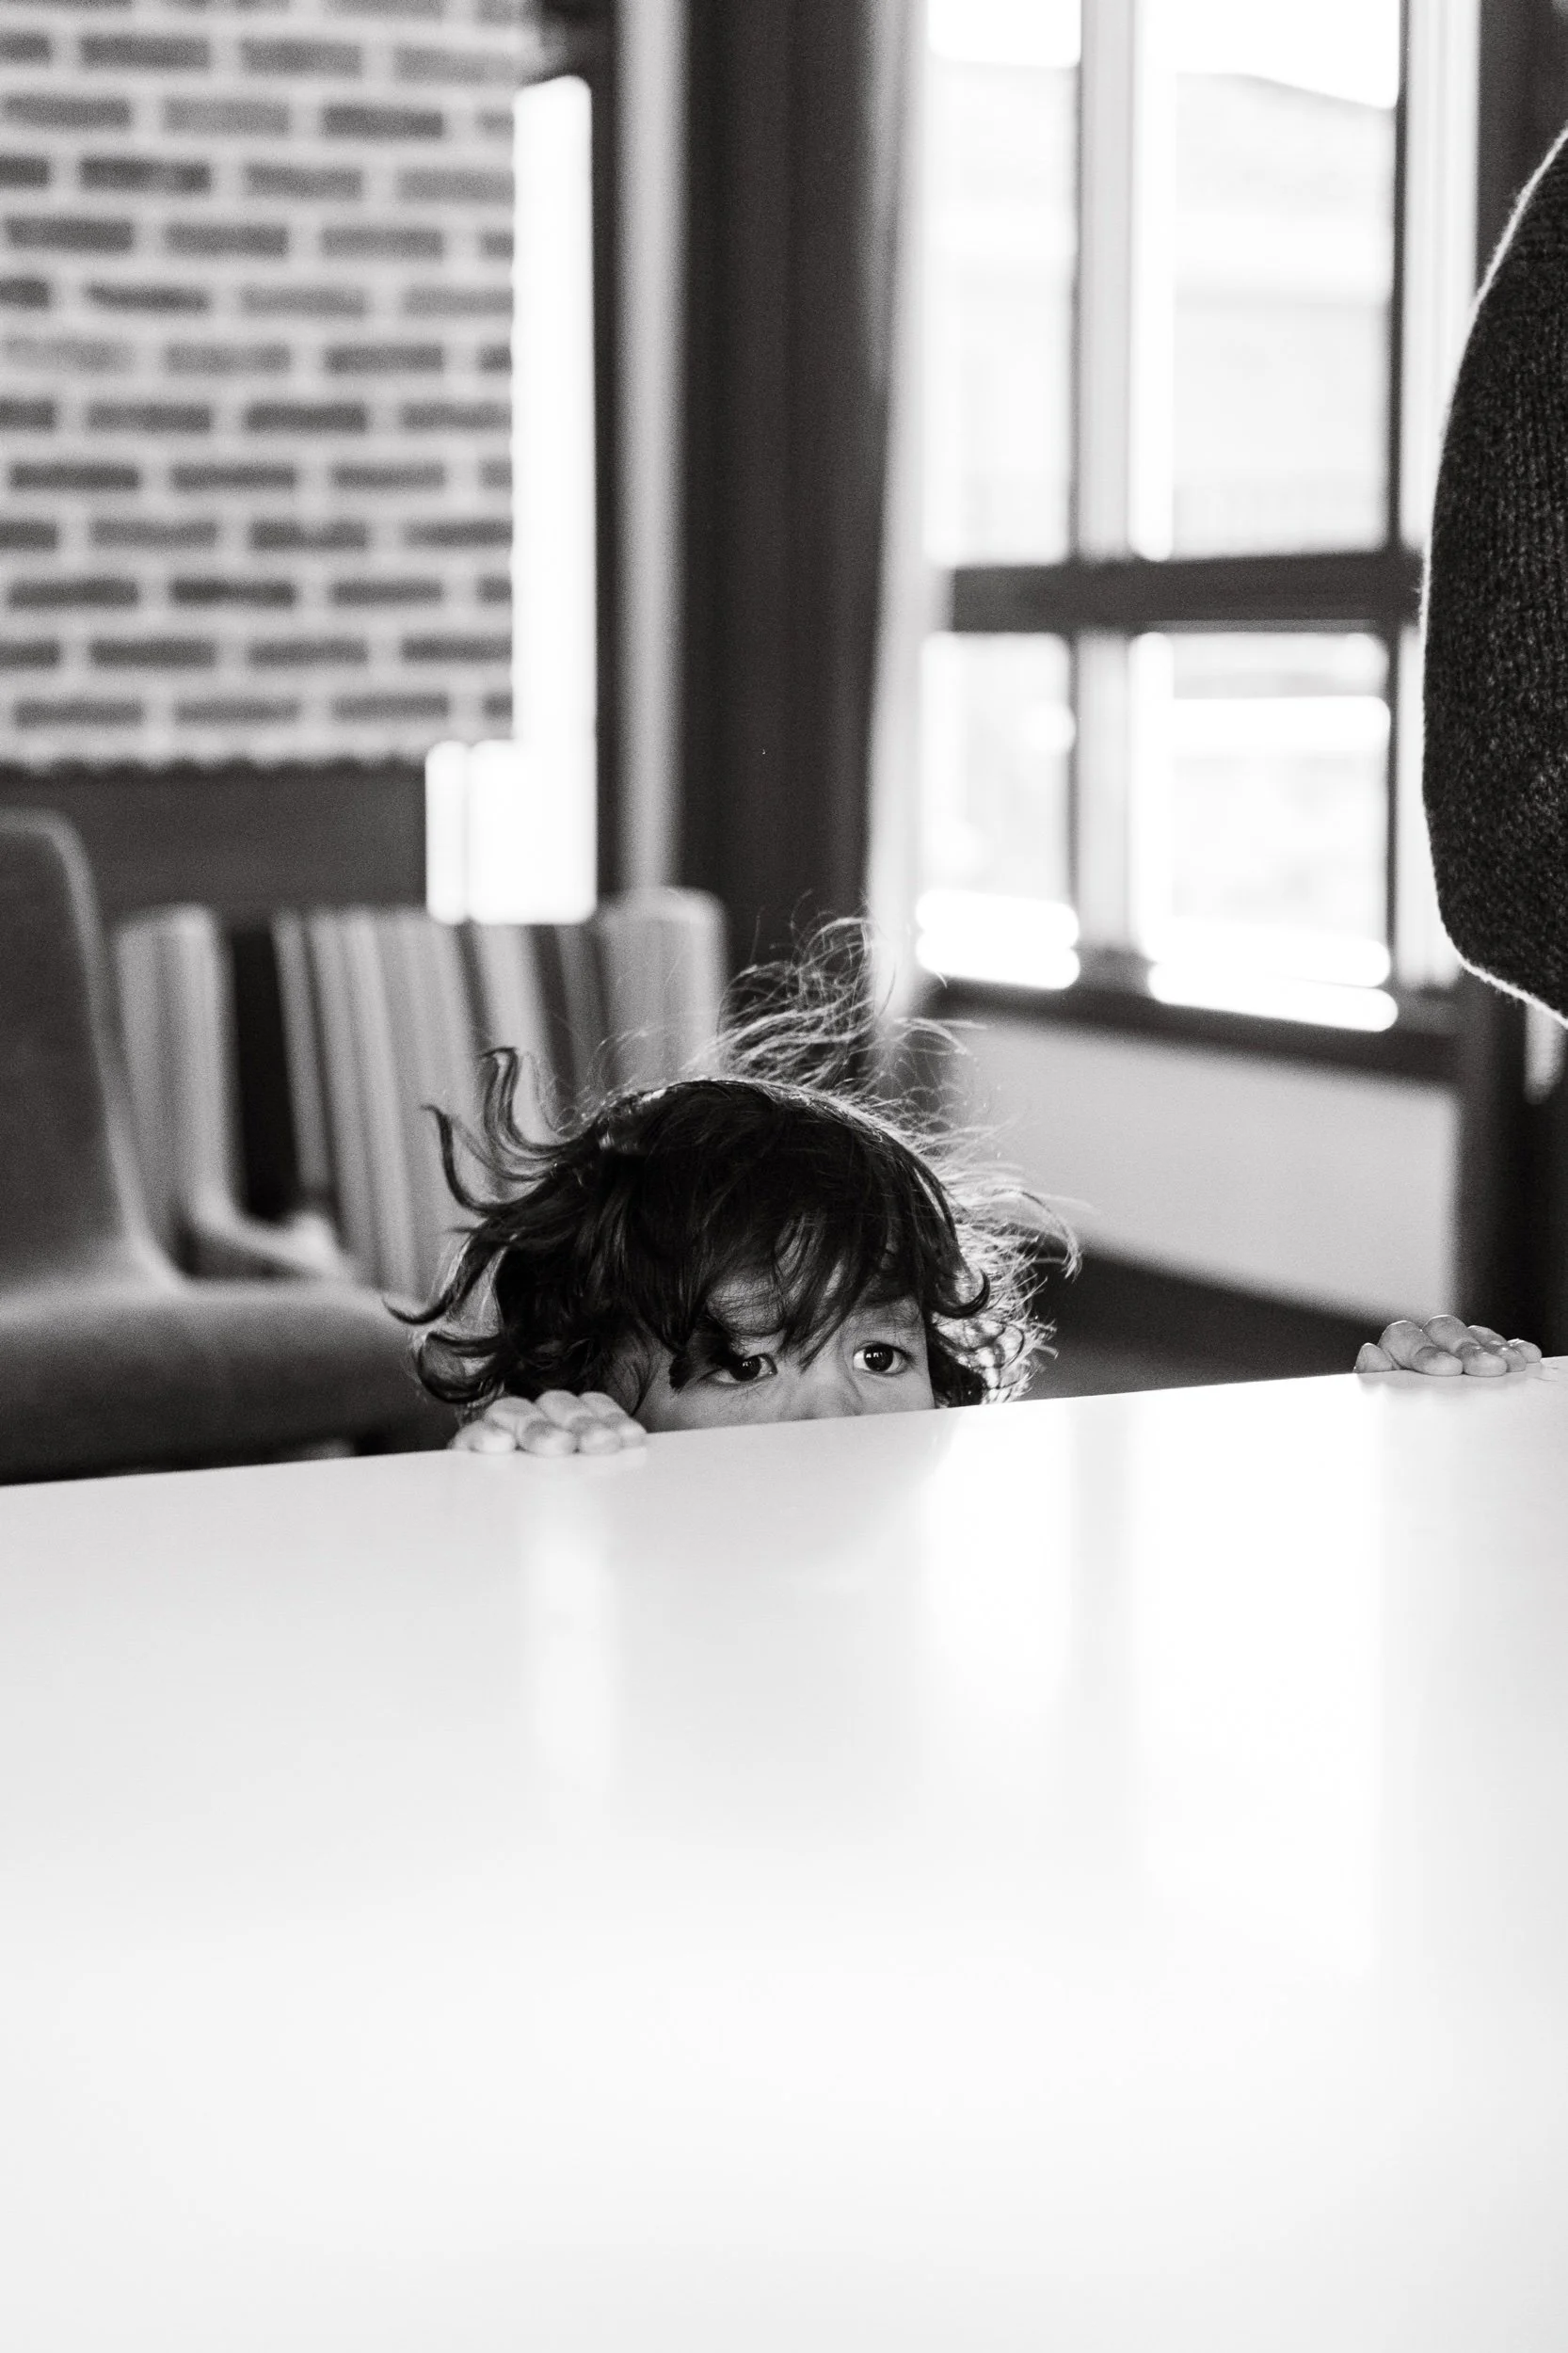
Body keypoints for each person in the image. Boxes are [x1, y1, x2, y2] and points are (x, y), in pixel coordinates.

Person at [411, 935, 1543, 1458]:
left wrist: (1415, 1451)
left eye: (880, 1356)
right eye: (747, 1364)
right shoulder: (589, 1506)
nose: (835, 1427)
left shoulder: (945, 1553)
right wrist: (540, 1475)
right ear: (595, 1389)